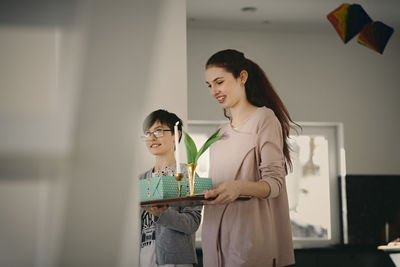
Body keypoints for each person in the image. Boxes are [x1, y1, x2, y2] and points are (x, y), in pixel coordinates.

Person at [202, 49, 297, 267]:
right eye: (209, 85)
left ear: (242, 77)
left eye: (219, 82)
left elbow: (274, 184)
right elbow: (218, 187)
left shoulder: (264, 118)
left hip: (250, 243)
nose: (214, 91)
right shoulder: (220, 132)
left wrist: (238, 187)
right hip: (214, 245)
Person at [139, 109, 202, 267]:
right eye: (147, 133)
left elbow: (192, 223)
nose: (152, 137)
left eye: (158, 131)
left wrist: (163, 214)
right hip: (142, 259)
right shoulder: (140, 180)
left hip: (175, 261)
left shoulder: (190, 176)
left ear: (176, 134)